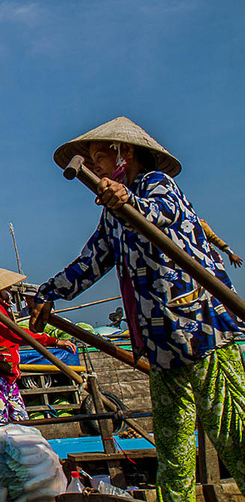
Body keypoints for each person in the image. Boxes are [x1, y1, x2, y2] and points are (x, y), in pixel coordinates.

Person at [29, 117, 245, 501]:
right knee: (174, 444)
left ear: (123, 153)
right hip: (161, 343)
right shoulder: (113, 213)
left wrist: (129, 200)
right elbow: (91, 261)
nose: (95, 166)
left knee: (232, 430)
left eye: (98, 157)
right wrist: (49, 293)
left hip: (201, 328)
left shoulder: (157, 186)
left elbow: (159, 214)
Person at [0, 265, 76, 423]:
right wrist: (53, 341)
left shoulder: (0, 309)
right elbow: (15, 333)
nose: (9, 293)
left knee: (21, 420)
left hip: (7, 373)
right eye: (6, 289)